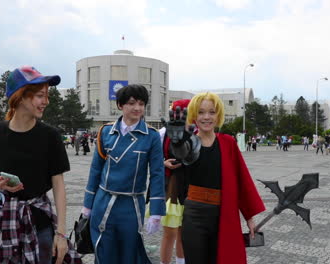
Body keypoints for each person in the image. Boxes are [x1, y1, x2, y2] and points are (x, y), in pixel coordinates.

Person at [0, 66, 81, 264]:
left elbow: (59, 186)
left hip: (38, 220)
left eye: (47, 96)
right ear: (20, 96)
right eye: (40, 96)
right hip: (0, 218)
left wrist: (60, 235)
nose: (46, 102)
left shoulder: (50, 136)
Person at [167, 92, 265, 264]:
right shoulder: (189, 142)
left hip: (223, 213)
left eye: (211, 112)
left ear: (218, 115)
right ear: (193, 115)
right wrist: (176, 142)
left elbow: (243, 181)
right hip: (194, 214)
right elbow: (182, 153)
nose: (206, 117)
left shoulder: (228, 143)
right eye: (201, 112)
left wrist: (249, 218)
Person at [82, 84, 165, 264]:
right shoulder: (105, 132)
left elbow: (158, 173)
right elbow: (96, 169)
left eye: (142, 104)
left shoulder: (151, 135)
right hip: (102, 202)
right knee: (103, 250)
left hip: (131, 205)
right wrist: (88, 204)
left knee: (129, 253)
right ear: (120, 105)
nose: (137, 108)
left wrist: (156, 212)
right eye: (132, 103)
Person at [159, 99, 191, 264]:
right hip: (170, 187)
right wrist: (162, 163)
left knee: (183, 234)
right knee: (169, 233)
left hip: (191, 187)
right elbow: (152, 158)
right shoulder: (163, 133)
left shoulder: (196, 131)